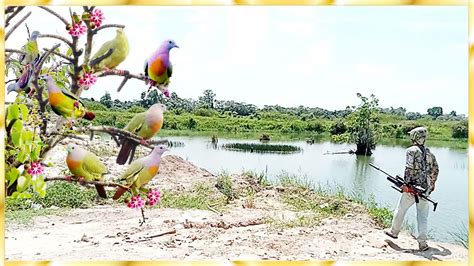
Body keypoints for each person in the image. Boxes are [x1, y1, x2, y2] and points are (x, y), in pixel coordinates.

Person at [384, 127, 439, 251]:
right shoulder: (430, 152)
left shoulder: (411, 151)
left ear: (414, 137)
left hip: (412, 189)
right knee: (423, 216)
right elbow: (436, 170)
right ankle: (423, 244)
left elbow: (408, 168)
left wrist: (406, 185)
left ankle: (394, 232)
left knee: (401, 209)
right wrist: (433, 184)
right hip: (426, 190)